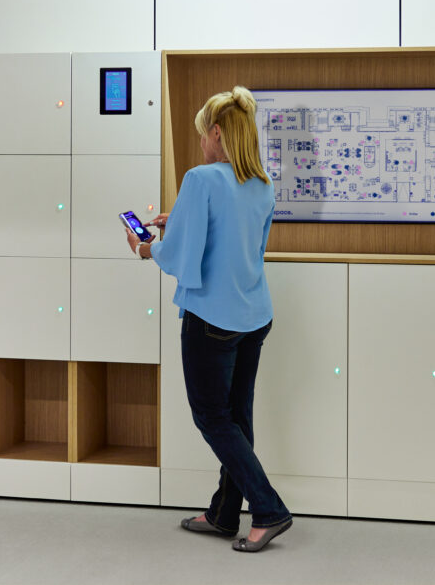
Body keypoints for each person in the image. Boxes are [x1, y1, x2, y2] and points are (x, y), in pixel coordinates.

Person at [124, 86, 291, 553]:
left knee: (212, 418)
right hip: (255, 315)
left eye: (203, 134)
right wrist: (176, 220)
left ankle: (269, 508)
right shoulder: (262, 183)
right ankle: (223, 514)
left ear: (217, 133)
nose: (200, 143)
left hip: (211, 319)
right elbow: (242, 244)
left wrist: (146, 247)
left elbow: (179, 256)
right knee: (237, 417)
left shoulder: (201, 179)